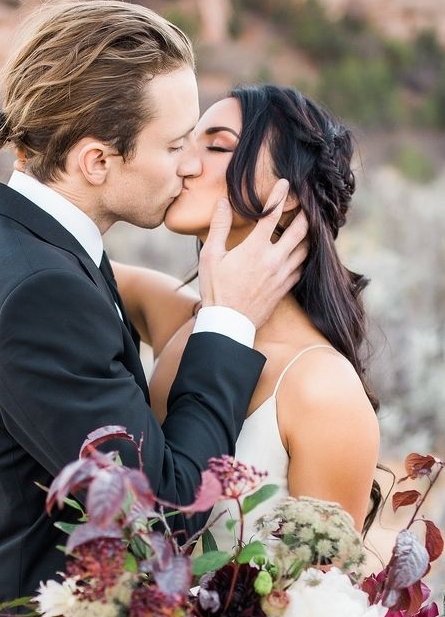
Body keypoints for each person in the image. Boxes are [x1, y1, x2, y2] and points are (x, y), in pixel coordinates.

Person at [0, 2, 308, 617]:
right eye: (173, 144)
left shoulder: (10, 249)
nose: (189, 164)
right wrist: (227, 321)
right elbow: (162, 511)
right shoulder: (37, 288)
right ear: (98, 160)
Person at [114, 84, 380, 549]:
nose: (185, 164)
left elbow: (323, 597)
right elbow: (63, 256)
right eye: (182, 144)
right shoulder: (181, 320)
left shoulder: (321, 390)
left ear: (290, 194)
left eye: (216, 146)